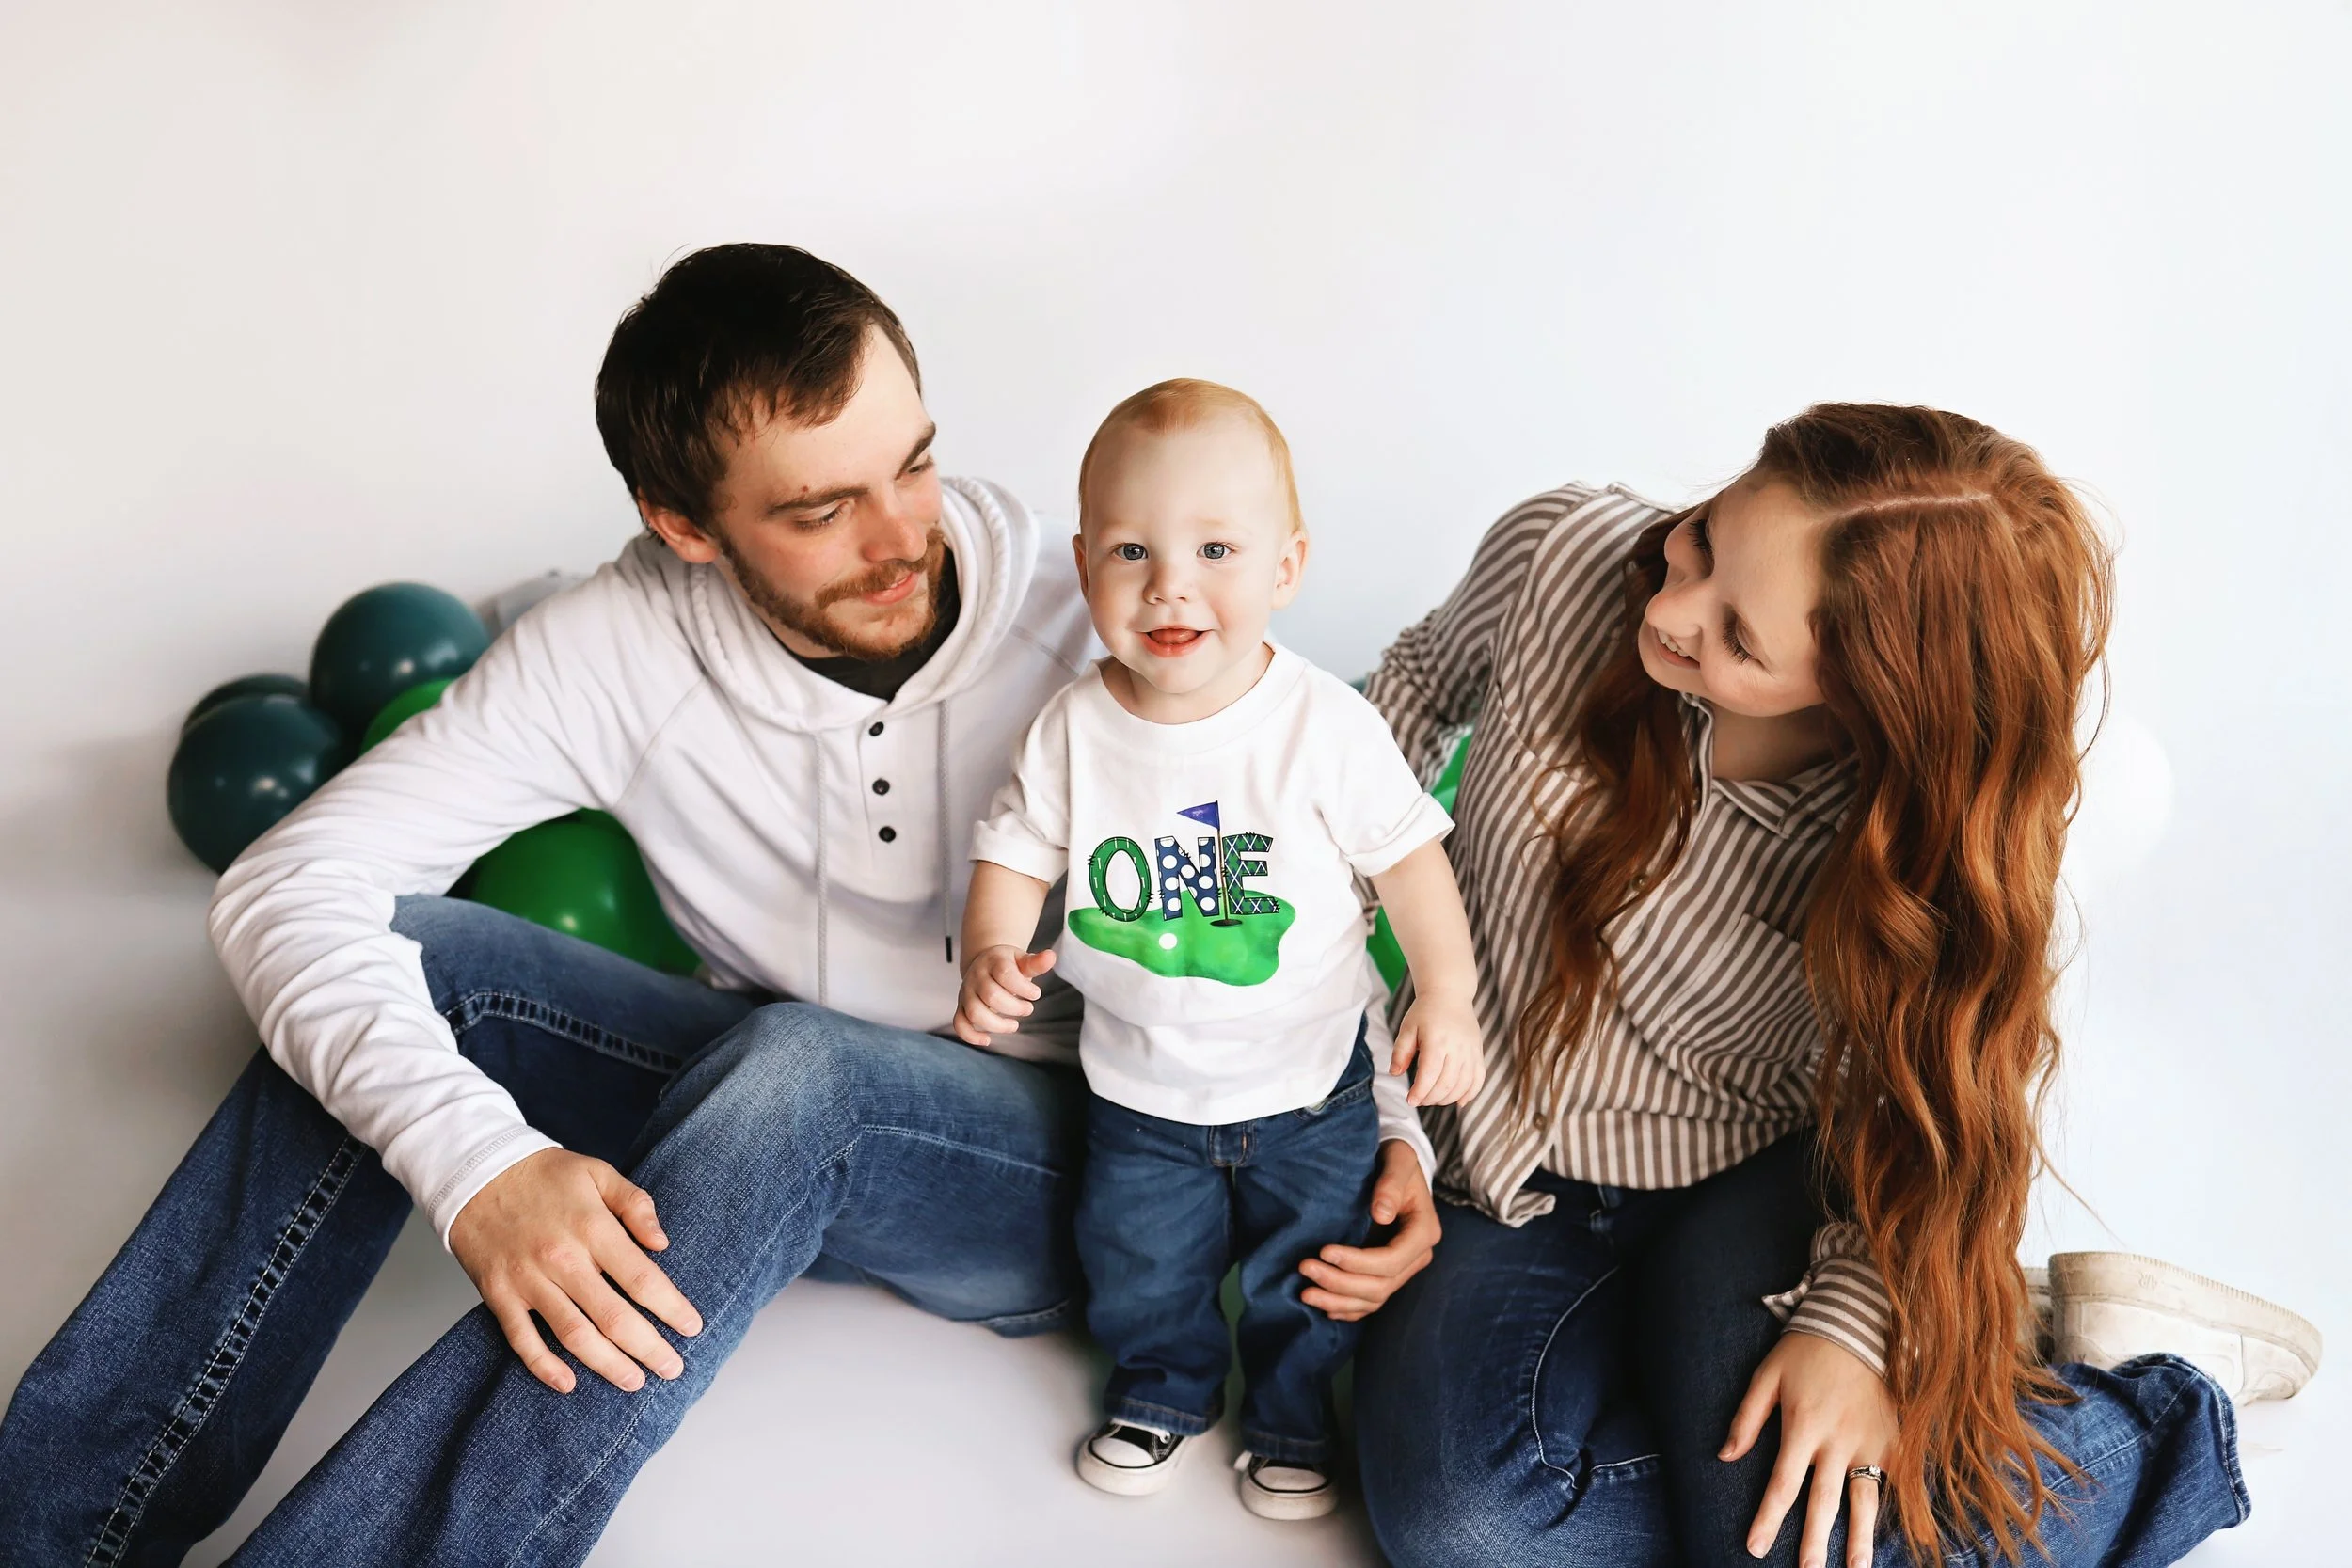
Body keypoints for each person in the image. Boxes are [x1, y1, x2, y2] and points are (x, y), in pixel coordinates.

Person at [0, 246, 1446, 1566]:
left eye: (913, 465)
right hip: (765, 1112)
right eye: (821, 509)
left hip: (1099, 1162)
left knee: (801, 1064)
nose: (901, 539)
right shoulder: (612, 649)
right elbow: (288, 880)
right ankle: (55, 1528)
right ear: (683, 524)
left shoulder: (1115, 598)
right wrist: (477, 1165)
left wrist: (1388, 1132)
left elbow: (1303, 876)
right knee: (430, 964)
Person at [1348, 408, 2319, 1568]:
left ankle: (2162, 1408)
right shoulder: (1558, 553)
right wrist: (1355, 1048)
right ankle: (1997, 1404)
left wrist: (1860, 1324)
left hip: (1754, 1180)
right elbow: (1392, 706)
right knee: (1473, 1525)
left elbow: (1926, 1105)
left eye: (1739, 639)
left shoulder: (1916, 826)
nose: (1668, 609)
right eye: (1702, 540)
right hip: (1495, 1166)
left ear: (1867, 693)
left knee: (1796, 1537)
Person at [954, 380, 1484, 1520]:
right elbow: (1015, 848)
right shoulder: (1075, 726)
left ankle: (1295, 1418)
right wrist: (992, 949)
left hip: (1311, 1088)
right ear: (1086, 560)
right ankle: (1162, 1391)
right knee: (1142, 1265)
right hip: (1139, 1093)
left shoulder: (1322, 726)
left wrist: (1446, 988)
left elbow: (1409, 863)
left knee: (1314, 1273)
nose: (1170, 584)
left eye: (1215, 548)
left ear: (1286, 568)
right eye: (1133, 549)